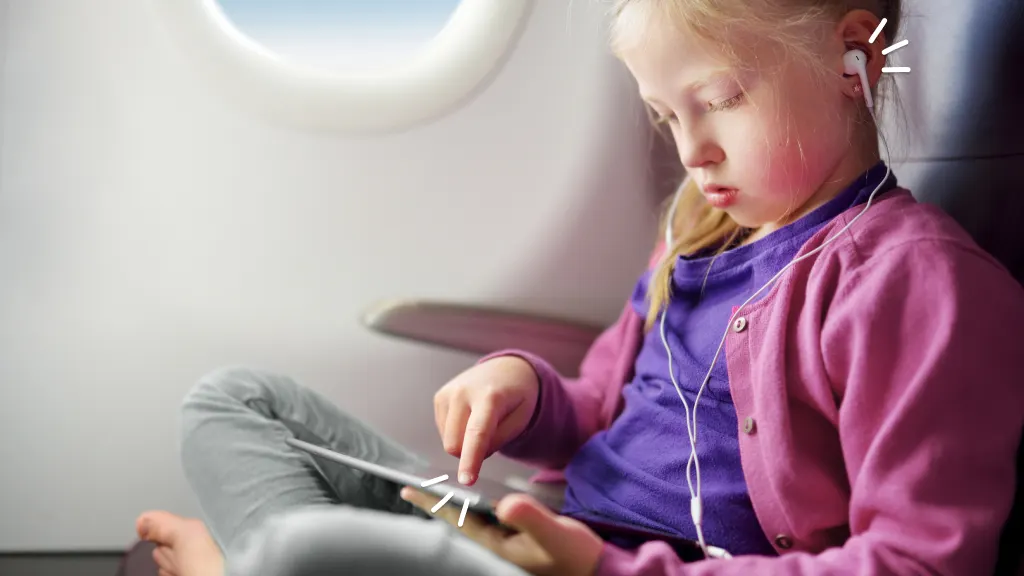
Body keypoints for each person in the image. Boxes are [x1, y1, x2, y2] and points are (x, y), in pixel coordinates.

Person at [134, 0, 1024, 574]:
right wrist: (524, 389)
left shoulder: (915, 283)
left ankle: (239, 569)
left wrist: (602, 570)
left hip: (614, 567)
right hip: (545, 528)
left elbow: (919, 564)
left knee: (305, 546)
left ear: (853, 55)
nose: (690, 148)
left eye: (719, 97)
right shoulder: (699, 227)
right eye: (668, 114)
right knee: (235, 401)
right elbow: (602, 402)